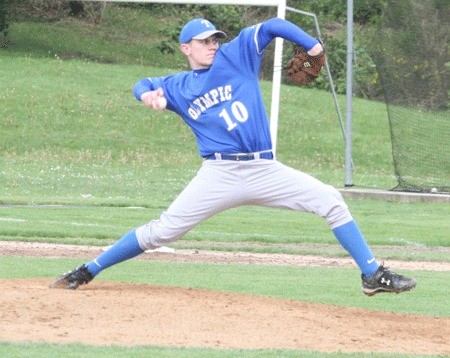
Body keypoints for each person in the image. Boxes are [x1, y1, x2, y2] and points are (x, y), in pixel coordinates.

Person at [51, 17, 416, 296]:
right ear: (185, 48)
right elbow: (142, 83)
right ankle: (89, 269)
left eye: (214, 39)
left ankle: (372, 275)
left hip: (263, 168)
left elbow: (273, 25)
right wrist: (145, 95)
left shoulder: (235, 57)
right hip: (218, 175)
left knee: (331, 201)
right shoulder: (178, 86)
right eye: (203, 41)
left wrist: (313, 46)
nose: (212, 45)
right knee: (163, 231)